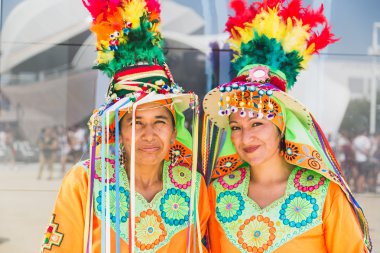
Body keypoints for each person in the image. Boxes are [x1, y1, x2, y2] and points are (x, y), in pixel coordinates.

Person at [202, 0, 371, 252]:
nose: (245, 137)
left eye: (257, 123)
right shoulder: (217, 192)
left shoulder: (325, 194)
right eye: (235, 127)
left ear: (282, 126)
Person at [40, 0, 209, 252]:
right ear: (117, 131)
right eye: (136, 121)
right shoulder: (85, 182)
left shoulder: (193, 186)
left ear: (174, 132)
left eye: (159, 121)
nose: (148, 134)